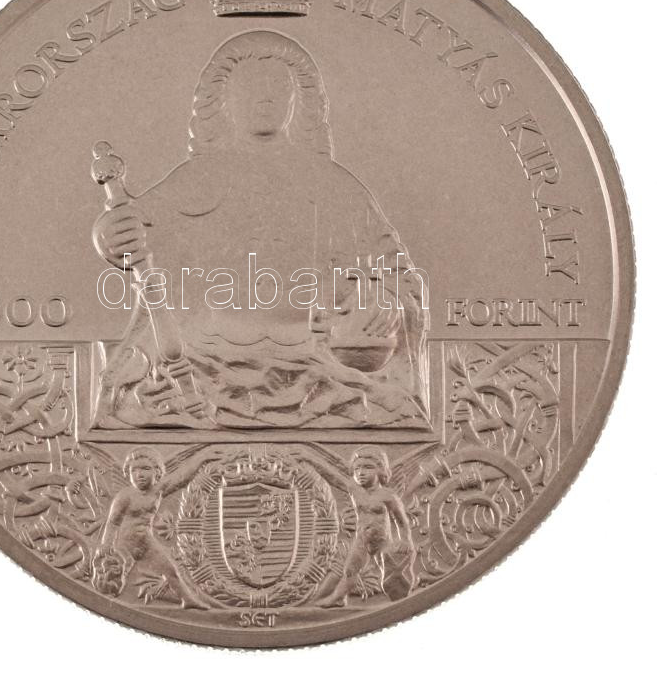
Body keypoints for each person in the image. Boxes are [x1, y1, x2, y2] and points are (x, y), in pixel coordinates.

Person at [92, 30, 428, 428]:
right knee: (137, 398)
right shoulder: (196, 179)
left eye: (277, 85)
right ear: (223, 99)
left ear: (297, 99)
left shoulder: (335, 186)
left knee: (385, 406)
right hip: (203, 358)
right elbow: (136, 227)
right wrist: (110, 235)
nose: (264, 96)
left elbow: (400, 275)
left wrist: (383, 298)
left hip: (317, 361)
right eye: (250, 85)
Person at [93, 446, 223, 607]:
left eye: (145, 469)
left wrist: (202, 458)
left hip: (146, 543)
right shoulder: (124, 496)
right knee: (111, 579)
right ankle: (105, 605)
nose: (139, 474)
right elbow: (113, 522)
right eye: (134, 470)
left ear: (157, 472)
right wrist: (106, 545)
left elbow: (182, 477)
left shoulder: (158, 491)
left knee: (171, 570)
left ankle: (188, 601)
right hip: (124, 545)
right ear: (128, 473)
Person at [294, 445, 414, 606]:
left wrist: (406, 540)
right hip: (362, 540)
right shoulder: (355, 490)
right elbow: (331, 475)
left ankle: (403, 601)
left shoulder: (388, 496)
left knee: (392, 576)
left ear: (380, 470)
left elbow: (401, 521)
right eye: (357, 468)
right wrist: (308, 458)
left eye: (367, 467)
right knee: (350, 570)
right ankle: (338, 598)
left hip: (383, 542)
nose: (361, 473)